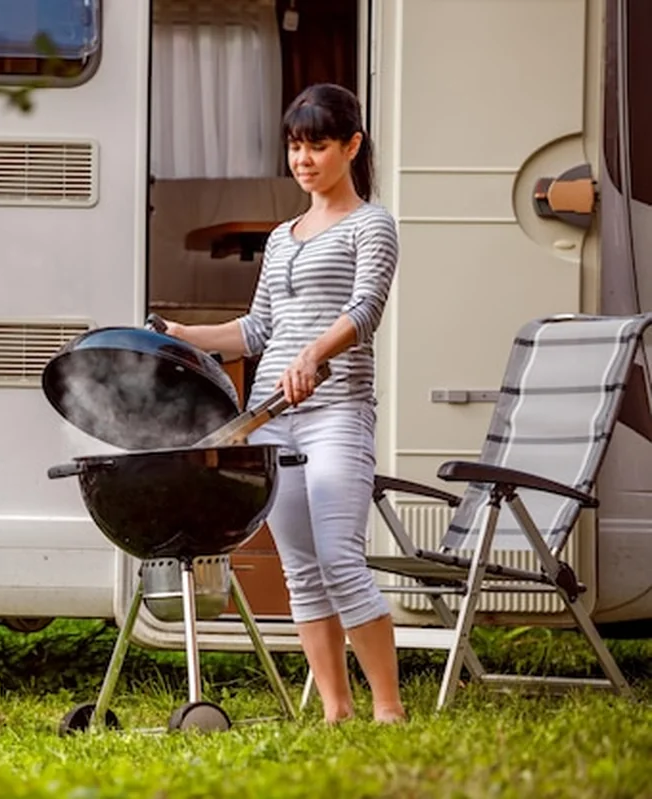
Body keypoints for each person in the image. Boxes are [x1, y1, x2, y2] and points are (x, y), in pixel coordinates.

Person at [163, 83, 404, 724]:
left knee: (339, 558)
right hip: (275, 417)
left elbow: (365, 310)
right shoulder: (282, 235)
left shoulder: (371, 224)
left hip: (336, 411)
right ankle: (335, 711)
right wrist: (185, 337)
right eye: (296, 146)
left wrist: (315, 354)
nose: (303, 159)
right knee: (301, 568)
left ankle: (389, 709)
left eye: (318, 145)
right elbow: (255, 330)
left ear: (351, 146)